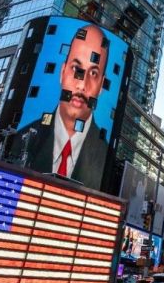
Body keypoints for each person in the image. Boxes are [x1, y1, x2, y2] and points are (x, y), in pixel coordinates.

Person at [14, 24, 110, 189]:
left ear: (101, 85)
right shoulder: (21, 140)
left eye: (93, 73)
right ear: (62, 72)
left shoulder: (106, 156)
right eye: (76, 69)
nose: (81, 85)